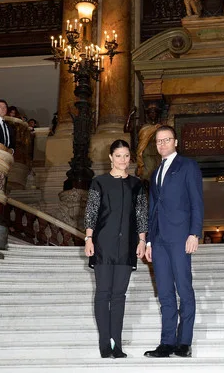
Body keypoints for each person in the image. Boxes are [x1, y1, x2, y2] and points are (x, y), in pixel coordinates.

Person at [83, 139, 148, 359]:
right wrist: (89, 238)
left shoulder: (137, 184)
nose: (123, 160)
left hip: (127, 245)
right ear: (110, 157)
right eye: (118, 155)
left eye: (126, 156)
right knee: (103, 293)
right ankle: (104, 343)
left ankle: (116, 344)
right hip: (102, 243)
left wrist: (141, 240)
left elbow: (141, 215)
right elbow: (91, 212)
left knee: (119, 295)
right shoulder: (98, 182)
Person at [144, 125, 203, 358]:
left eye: (166, 140)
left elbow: (196, 201)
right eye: (158, 141)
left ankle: (184, 342)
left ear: (175, 142)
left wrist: (194, 233)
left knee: (184, 288)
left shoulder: (188, 166)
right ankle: (167, 342)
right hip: (158, 240)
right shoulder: (155, 172)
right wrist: (149, 241)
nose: (162, 144)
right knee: (165, 292)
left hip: (180, 236)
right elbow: (152, 209)